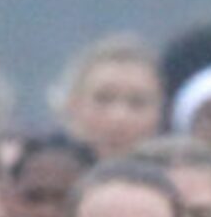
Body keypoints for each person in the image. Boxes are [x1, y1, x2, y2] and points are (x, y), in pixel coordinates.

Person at [55, 34, 165, 163]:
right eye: (103, 99)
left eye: (137, 102)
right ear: (73, 104)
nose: (118, 117)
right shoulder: (42, 176)